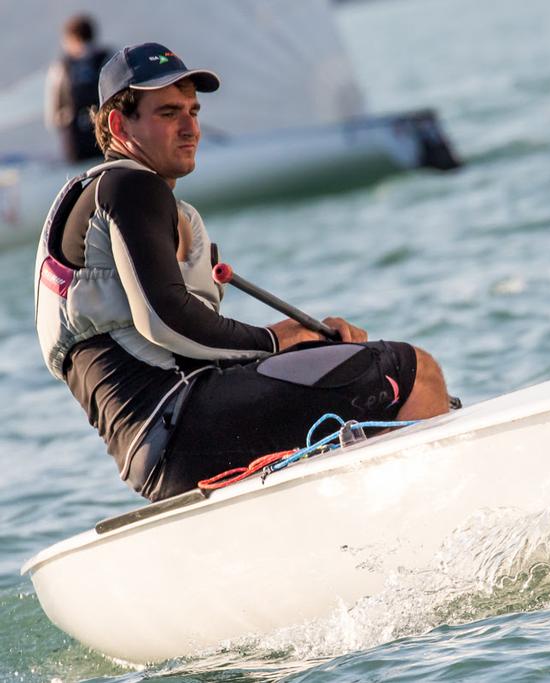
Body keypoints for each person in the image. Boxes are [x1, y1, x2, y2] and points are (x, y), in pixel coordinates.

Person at [34, 43, 451, 501]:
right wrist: (280, 340)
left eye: (193, 111)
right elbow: (164, 320)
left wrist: (287, 345)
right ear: (119, 124)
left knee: (349, 386)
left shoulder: (91, 203)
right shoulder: (131, 185)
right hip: (184, 425)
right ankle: (432, 521)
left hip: (156, 455)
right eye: (169, 112)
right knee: (410, 370)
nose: (191, 127)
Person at [44, 14, 111, 162]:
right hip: (108, 140)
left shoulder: (61, 67)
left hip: (75, 145)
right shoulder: (109, 59)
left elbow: (52, 115)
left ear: (71, 39)